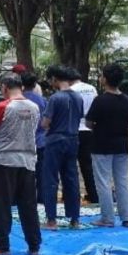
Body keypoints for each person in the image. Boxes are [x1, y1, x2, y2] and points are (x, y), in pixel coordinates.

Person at [0, 73, 42, 255]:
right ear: (21, 87)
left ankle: (2, 246)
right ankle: (34, 245)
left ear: (4, 88)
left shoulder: (1, 106)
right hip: (28, 161)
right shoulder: (34, 107)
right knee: (28, 205)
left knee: (0, 205)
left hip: (5, 160)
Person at [85, 62, 128, 227]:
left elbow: (89, 123)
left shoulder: (100, 100)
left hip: (101, 144)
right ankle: (127, 217)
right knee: (122, 181)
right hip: (122, 144)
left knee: (103, 182)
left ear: (104, 79)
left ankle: (107, 217)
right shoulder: (127, 100)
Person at [40, 66, 84, 229]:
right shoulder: (78, 97)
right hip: (73, 139)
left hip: (55, 140)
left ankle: (51, 219)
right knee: (71, 178)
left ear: (55, 79)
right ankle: (75, 218)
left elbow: (46, 122)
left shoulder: (55, 98)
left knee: (51, 179)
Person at [70, 69, 100, 205]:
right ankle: (93, 195)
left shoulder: (70, 90)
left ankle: (71, 195)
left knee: (70, 165)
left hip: (74, 129)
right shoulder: (92, 88)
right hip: (89, 129)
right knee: (87, 165)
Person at [21, 70, 47, 205]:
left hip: (22, 142)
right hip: (41, 141)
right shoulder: (43, 101)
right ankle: (41, 198)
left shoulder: (18, 100)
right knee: (41, 172)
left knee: (23, 173)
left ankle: (24, 199)